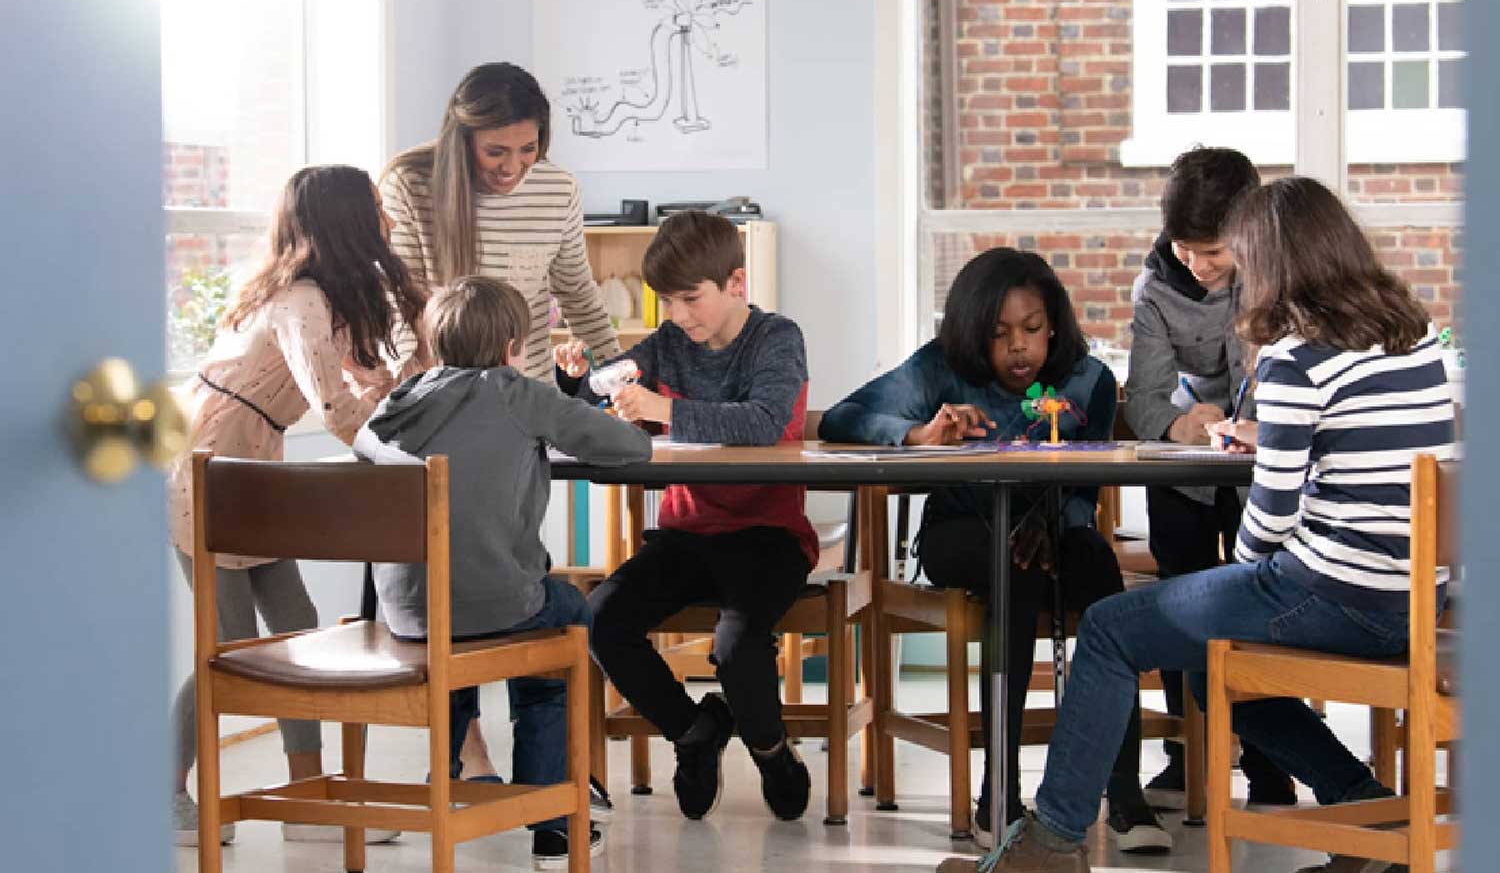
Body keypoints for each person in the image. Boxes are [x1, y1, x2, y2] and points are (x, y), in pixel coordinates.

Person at [940, 177, 1457, 873]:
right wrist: (1276, 442)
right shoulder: (1416, 332)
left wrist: (1242, 563)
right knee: (1206, 662)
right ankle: (1367, 809)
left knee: (1110, 628)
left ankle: (1049, 847)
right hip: (1416, 598)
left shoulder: (1294, 356)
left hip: (1337, 591)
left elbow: (1269, 524)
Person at [820, 248, 1170, 853]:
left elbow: (1086, 486)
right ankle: (999, 794)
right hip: (959, 530)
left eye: (1031, 330)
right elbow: (841, 418)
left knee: (1101, 576)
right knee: (1016, 568)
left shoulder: (1086, 379)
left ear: (1053, 325)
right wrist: (917, 433)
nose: (1017, 348)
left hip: (1055, 528)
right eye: (999, 334)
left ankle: (1125, 791)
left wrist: (1057, 519)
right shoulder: (940, 368)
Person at [165, 164, 429, 846]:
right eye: (377, 208)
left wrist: (417, 370)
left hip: (254, 465)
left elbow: (370, 390)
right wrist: (392, 452)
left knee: (297, 629)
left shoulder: (327, 300)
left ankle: (307, 796)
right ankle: (161, 789)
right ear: (345, 219)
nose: (390, 221)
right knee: (228, 650)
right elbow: (337, 407)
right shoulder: (301, 301)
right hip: (211, 470)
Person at [354, 276, 650, 868]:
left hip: (409, 613)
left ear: (436, 348)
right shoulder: (515, 392)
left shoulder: (404, 397)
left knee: (462, 617)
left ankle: (455, 770)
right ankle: (550, 814)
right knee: (561, 618)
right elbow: (630, 448)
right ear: (514, 346)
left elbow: (366, 445)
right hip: (499, 603)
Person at [560, 211, 818, 822]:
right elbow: (611, 383)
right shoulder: (670, 344)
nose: (677, 316)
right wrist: (576, 381)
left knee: (736, 645)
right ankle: (695, 731)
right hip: (687, 535)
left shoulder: (778, 339)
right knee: (602, 620)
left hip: (769, 537)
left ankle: (772, 751)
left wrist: (661, 408)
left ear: (735, 282)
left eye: (689, 299)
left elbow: (763, 423)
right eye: (666, 302)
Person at [1123, 145, 1296, 809]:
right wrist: (1178, 426)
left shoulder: (1279, 277)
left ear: (1248, 233)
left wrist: (1258, 425)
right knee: (1180, 602)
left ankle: (1271, 762)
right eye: (1188, 249)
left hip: (1263, 470)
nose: (1200, 265)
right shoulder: (1155, 292)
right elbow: (1143, 401)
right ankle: (1185, 752)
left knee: (1263, 605)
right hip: (1185, 468)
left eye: (1215, 252)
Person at [381, 61, 622, 382]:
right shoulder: (408, 185)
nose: (512, 167)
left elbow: (576, 292)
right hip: (440, 394)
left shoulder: (558, 189)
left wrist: (616, 369)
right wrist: (410, 386)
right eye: (495, 151)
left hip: (528, 392)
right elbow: (396, 298)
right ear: (463, 141)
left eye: (528, 149)